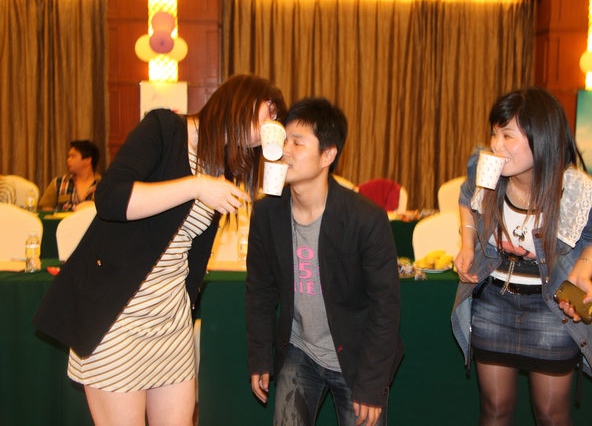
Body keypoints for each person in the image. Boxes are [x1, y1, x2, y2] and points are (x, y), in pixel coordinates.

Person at [33, 74, 286, 426]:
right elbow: (111, 199)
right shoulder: (165, 128)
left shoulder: (221, 166)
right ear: (239, 99)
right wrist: (196, 186)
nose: (270, 125)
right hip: (118, 318)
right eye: (268, 111)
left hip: (170, 320)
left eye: (277, 119)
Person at [451, 87, 592, 425]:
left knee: (551, 414)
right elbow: (467, 198)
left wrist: (583, 272)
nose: (496, 145)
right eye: (494, 134)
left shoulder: (576, 189)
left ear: (541, 138)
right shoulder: (486, 170)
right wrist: (468, 244)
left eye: (507, 135)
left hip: (551, 308)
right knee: (495, 409)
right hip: (494, 302)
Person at [246, 97, 403, 426]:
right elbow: (260, 290)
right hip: (299, 350)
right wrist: (260, 356)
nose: (285, 150)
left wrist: (372, 384)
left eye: (297, 142)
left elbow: (385, 306)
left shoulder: (365, 218)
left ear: (328, 155)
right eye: (284, 140)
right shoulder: (267, 212)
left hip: (357, 356)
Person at [38, 139, 101, 211]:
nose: (68, 160)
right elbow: (45, 207)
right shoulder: (58, 183)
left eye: (73, 156)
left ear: (88, 160)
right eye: (68, 156)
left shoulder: (102, 185)